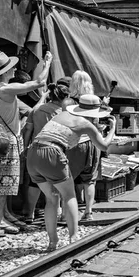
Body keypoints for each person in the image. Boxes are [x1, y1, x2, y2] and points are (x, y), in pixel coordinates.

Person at [27, 94, 115, 251]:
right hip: (52, 152)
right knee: (69, 195)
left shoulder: (61, 115)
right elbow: (104, 146)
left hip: (33, 153)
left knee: (51, 198)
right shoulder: (85, 124)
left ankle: (52, 242)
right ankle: (73, 238)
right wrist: (112, 128)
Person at [0, 50, 51, 234]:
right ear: (3, 72)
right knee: (3, 182)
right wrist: (47, 63)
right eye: (10, 67)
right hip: (8, 141)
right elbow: (39, 82)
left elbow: (28, 111)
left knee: (3, 182)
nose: (14, 69)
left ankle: (4, 215)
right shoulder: (4, 89)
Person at [22, 82, 70, 223]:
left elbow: (28, 130)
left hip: (35, 149)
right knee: (59, 182)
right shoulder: (64, 112)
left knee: (34, 183)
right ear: (66, 97)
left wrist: (25, 149)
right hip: (56, 149)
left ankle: (30, 214)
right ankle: (59, 214)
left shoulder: (37, 109)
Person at [62, 70, 104, 221]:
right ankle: (89, 212)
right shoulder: (94, 101)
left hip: (75, 143)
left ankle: (65, 214)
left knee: (67, 178)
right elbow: (98, 124)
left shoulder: (69, 102)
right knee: (89, 180)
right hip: (93, 143)